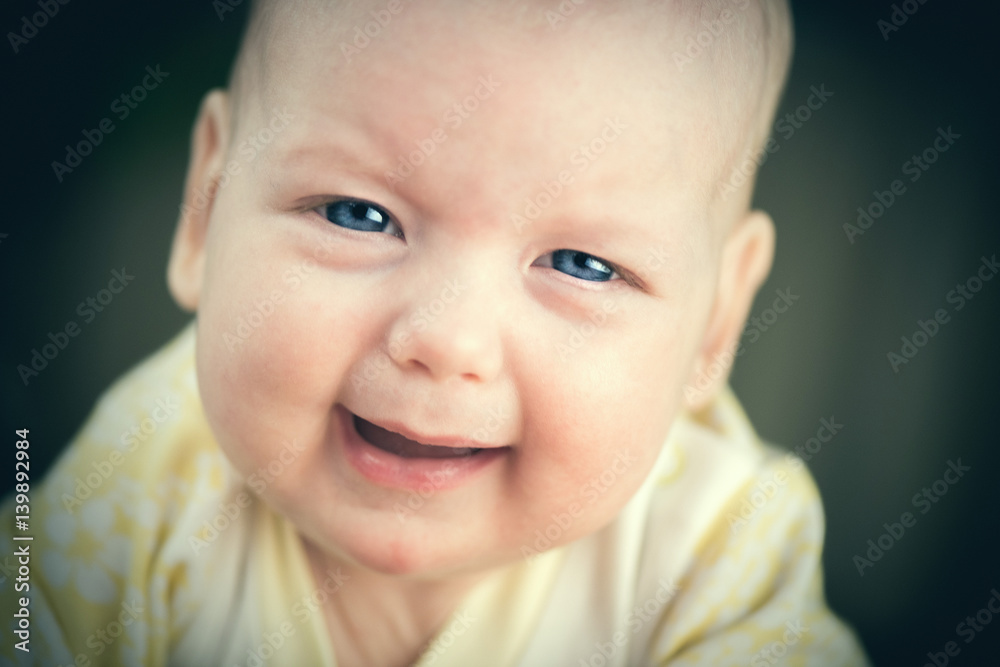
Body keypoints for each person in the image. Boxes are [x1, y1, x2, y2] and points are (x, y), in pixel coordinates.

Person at [1, 1, 870, 664]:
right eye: (358, 213)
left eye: (581, 264)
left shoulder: (717, 549)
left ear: (716, 320)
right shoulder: (138, 490)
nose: (447, 341)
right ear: (207, 208)